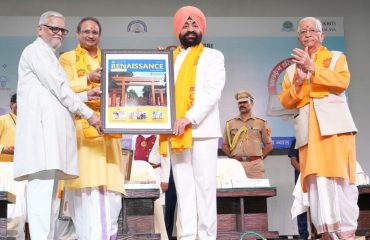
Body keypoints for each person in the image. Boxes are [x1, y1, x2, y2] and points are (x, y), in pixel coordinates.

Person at [13, 11, 102, 239]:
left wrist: (86, 95)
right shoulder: (36, 51)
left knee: (50, 205)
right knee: (42, 204)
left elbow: (56, 93)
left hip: (51, 141)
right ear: (39, 29)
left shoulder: (50, 56)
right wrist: (90, 115)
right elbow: (61, 90)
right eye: (54, 28)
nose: (59, 33)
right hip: (42, 139)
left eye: (62, 30)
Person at [279, 17, 358, 239]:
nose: (307, 34)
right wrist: (298, 80)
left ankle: (347, 235)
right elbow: (285, 100)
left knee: (340, 185)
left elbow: (343, 82)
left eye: (312, 30)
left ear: (322, 36)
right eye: (303, 31)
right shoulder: (292, 70)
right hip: (309, 139)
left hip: (335, 134)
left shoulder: (336, 58)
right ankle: (324, 235)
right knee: (316, 189)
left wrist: (313, 68)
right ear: (298, 37)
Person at [159, 6, 226, 239]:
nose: (190, 29)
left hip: (201, 131)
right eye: (185, 25)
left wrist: (189, 117)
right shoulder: (170, 59)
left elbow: (212, 92)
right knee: (184, 190)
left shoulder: (213, 56)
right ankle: (187, 236)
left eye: (194, 25)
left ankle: (206, 236)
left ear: (202, 29)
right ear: (178, 29)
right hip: (176, 133)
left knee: (205, 190)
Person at [59, 17, 125, 240]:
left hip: (108, 137)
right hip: (81, 139)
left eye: (94, 32)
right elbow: (61, 91)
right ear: (77, 35)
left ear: (100, 35)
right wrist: (87, 79)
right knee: (85, 202)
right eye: (85, 31)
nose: (90, 35)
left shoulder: (111, 60)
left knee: (111, 201)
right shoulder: (67, 59)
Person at [222, 90, 273, 179]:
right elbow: (224, 146)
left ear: (252, 103)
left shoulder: (260, 122)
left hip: (255, 167)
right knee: (236, 192)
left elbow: (268, 146)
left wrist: (258, 159)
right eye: (240, 103)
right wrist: (233, 159)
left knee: (257, 192)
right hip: (236, 166)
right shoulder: (230, 123)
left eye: (245, 102)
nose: (242, 105)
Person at [0, 94, 27, 239]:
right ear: (11, 104)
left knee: (22, 212)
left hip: (25, 171)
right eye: (17, 103)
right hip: (5, 171)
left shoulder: (29, 123)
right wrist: (4, 149)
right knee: (9, 211)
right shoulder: (2, 120)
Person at [132, 134, 169, 240]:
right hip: (138, 177)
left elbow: (165, 157)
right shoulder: (135, 137)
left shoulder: (160, 136)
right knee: (138, 210)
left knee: (156, 210)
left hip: (155, 175)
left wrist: (165, 180)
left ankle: (160, 236)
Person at [288, 139, 309, 240]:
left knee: (318, 205)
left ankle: (319, 232)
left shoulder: (318, 139)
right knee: (301, 204)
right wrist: (304, 173)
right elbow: (293, 160)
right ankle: (303, 234)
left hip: (316, 177)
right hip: (301, 177)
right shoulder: (298, 139)